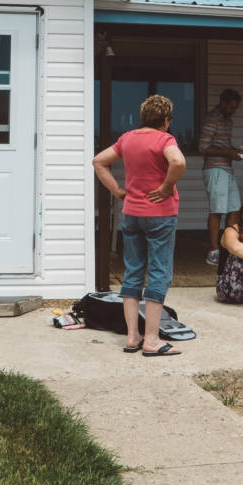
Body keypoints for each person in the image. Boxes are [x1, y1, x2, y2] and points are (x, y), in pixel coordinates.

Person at [92, 92, 188, 357]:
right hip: (159, 215)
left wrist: (117, 191)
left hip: (131, 213)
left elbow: (98, 161)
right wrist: (167, 186)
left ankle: (132, 336)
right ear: (166, 120)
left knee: (133, 271)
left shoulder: (127, 139)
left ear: (143, 117)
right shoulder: (165, 139)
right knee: (159, 272)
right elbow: (178, 161)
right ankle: (152, 340)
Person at [199, 88, 243, 266]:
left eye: (235, 108)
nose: (233, 111)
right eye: (231, 107)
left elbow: (222, 145)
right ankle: (214, 251)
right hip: (215, 169)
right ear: (223, 102)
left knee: (234, 209)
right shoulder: (213, 119)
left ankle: (228, 247)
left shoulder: (228, 120)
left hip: (227, 169)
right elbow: (203, 147)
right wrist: (228, 152)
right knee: (217, 210)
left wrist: (235, 152)